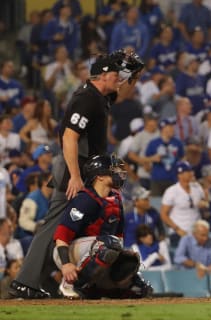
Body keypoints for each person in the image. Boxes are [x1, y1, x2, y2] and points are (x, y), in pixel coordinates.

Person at [9, 50, 144, 299]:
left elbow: (122, 91)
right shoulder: (86, 99)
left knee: (83, 223)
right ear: (102, 76)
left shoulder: (100, 95)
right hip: (74, 168)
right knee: (54, 224)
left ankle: (57, 281)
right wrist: (74, 176)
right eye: (116, 75)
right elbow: (69, 137)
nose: (119, 79)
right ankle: (24, 282)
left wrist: (131, 73)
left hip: (88, 169)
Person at [51, 154, 152, 299]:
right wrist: (66, 264)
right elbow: (62, 235)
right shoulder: (84, 199)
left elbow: (118, 238)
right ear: (100, 176)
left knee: (130, 260)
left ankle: (97, 289)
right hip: (67, 253)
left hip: (99, 250)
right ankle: (70, 284)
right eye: (113, 170)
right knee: (108, 244)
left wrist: (123, 260)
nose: (118, 173)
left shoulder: (115, 200)